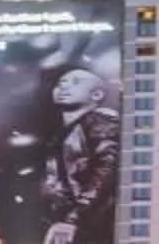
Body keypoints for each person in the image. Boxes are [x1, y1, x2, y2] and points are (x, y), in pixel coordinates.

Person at [40, 66, 119, 244]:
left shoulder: (100, 122)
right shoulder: (64, 132)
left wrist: (75, 218)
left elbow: (107, 169)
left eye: (75, 82)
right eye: (61, 84)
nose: (64, 87)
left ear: (97, 95)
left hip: (93, 224)